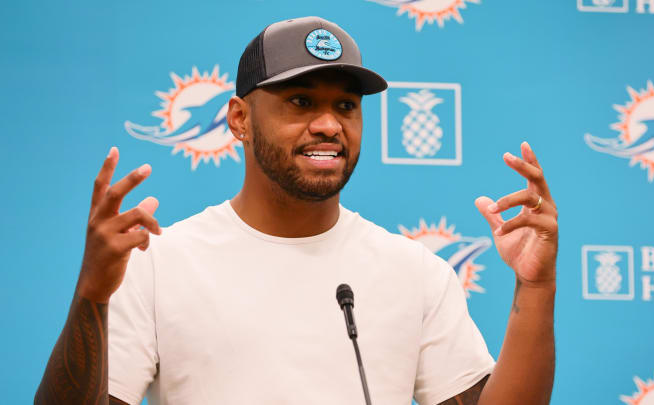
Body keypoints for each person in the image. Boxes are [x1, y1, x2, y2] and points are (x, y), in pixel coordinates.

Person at [35, 16, 558, 405]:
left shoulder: (415, 271)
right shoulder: (160, 262)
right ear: (239, 119)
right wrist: (91, 295)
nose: (330, 124)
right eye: (301, 102)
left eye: (346, 106)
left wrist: (535, 290)